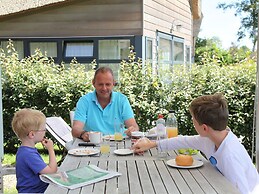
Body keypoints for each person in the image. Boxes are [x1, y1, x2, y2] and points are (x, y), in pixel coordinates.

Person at [132, 93, 259, 194]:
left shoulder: (230, 155)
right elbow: (183, 141)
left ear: (204, 128)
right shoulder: (211, 139)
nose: (192, 122)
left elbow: (242, 191)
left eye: (193, 119)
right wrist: (152, 144)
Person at [72, 66, 139, 141]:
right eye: (100, 84)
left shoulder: (122, 100)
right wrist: (83, 134)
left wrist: (133, 130)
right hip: (92, 145)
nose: (104, 88)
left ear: (113, 83)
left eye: (108, 84)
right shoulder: (84, 101)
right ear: (93, 83)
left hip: (118, 144)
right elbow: (75, 129)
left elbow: (134, 126)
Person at [12, 108, 58, 193]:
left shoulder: (26, 151)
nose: (45, 132)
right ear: (32, 134)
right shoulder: (28, 154)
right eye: (44, 130)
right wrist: (51, 149)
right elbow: (51, 172)